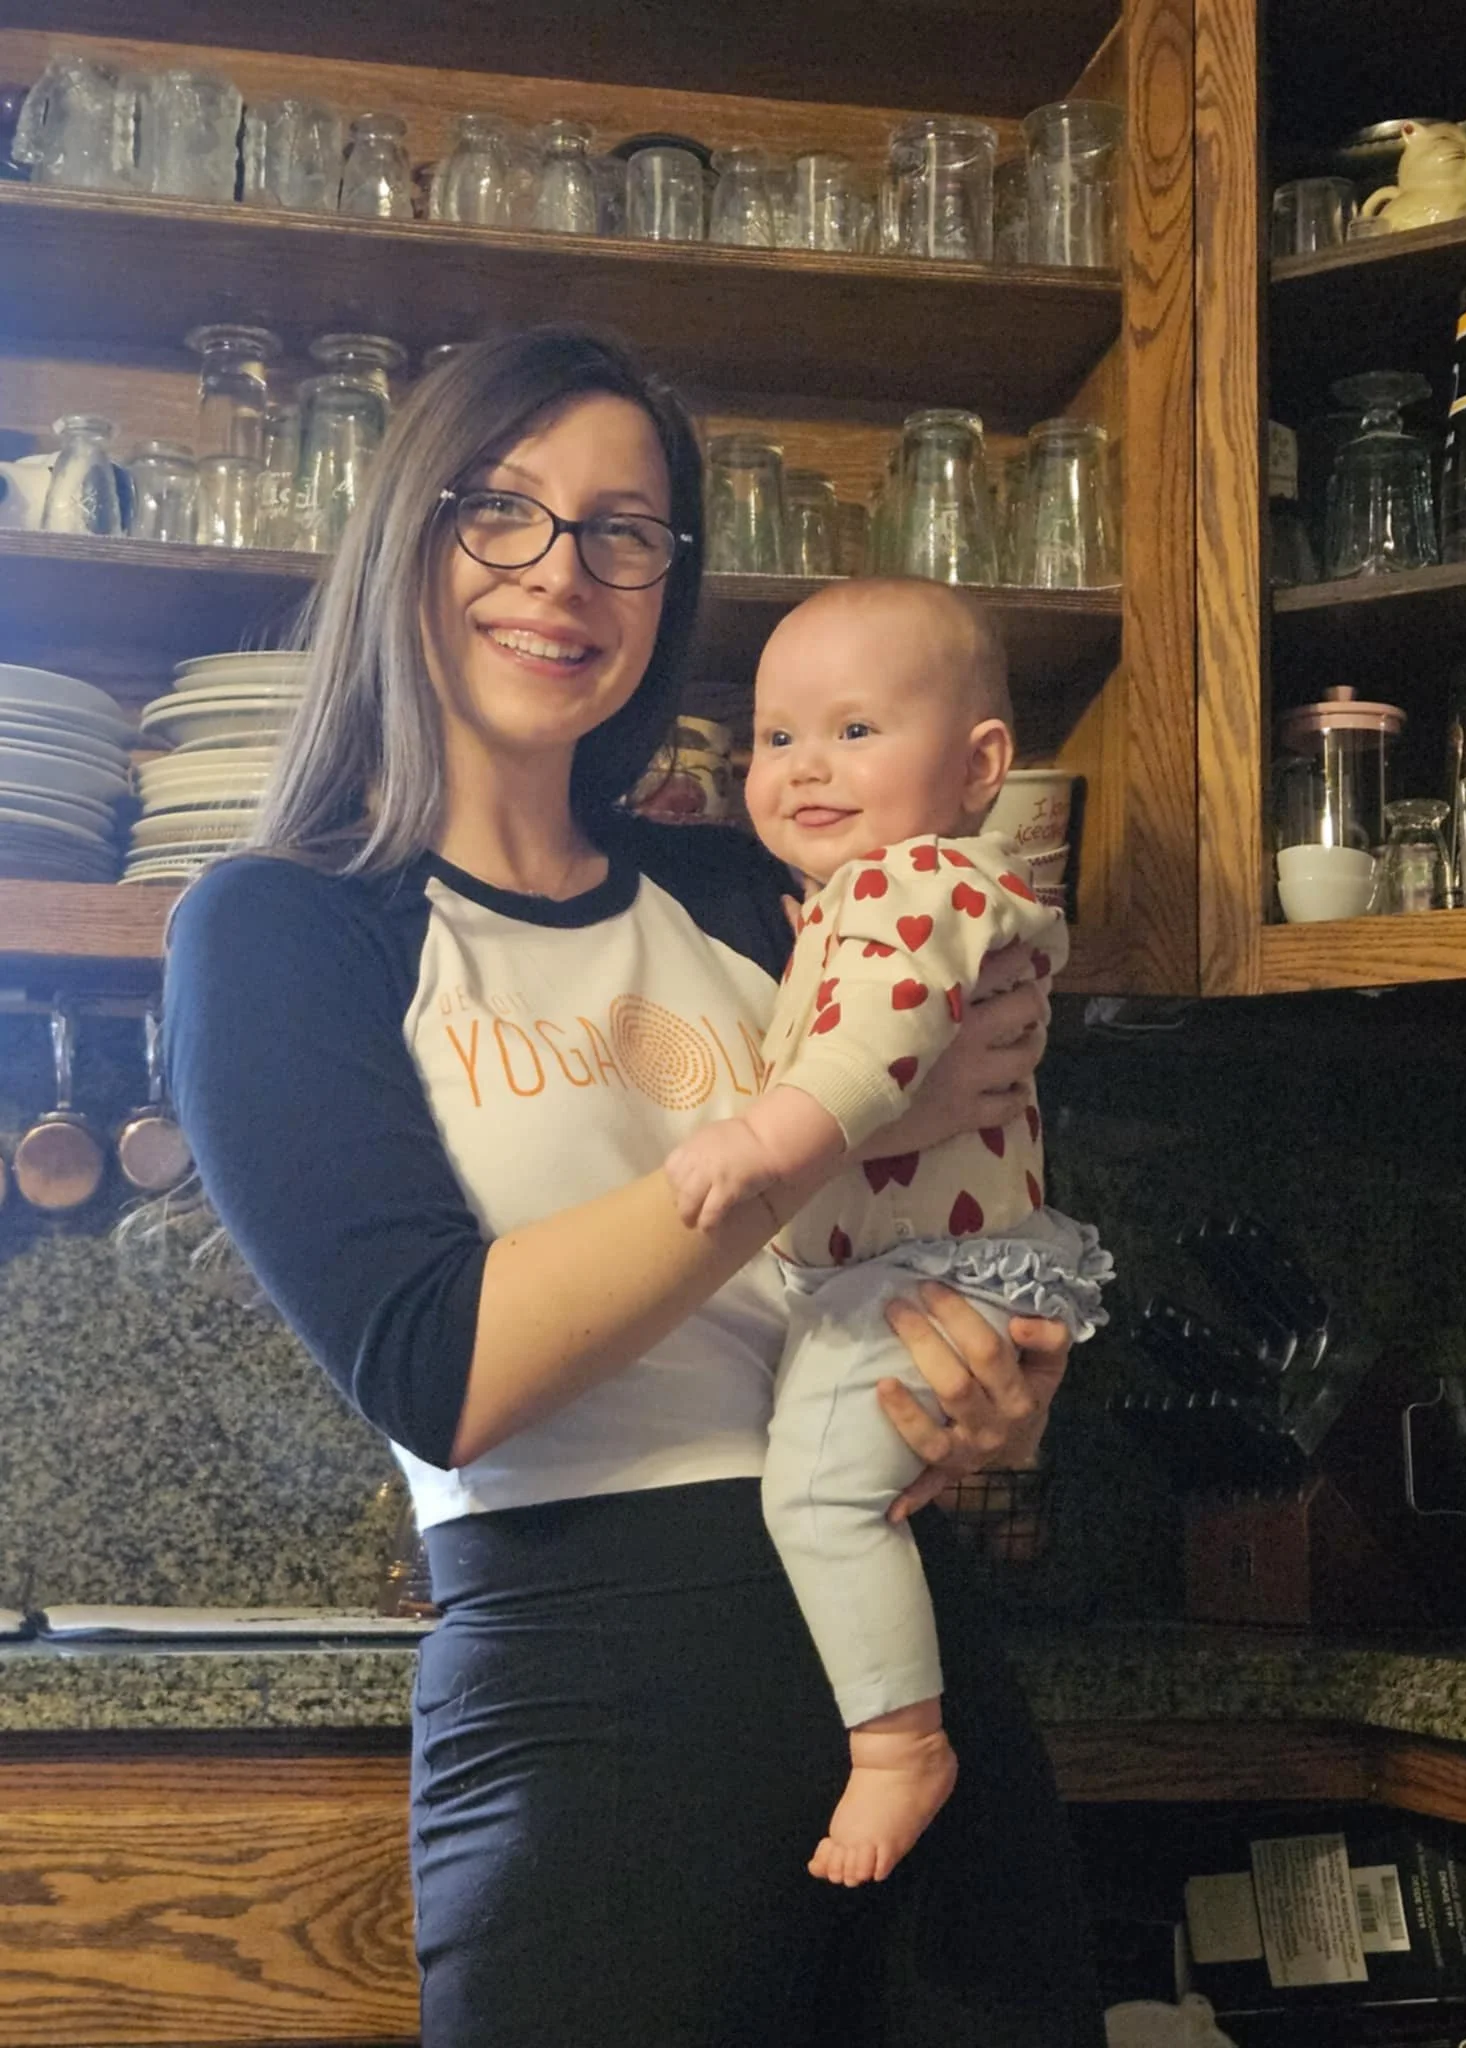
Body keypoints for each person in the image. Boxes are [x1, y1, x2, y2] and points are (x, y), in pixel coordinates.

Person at [160, 325, 1108, 2048]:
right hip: (593, 1701)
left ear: (669, 584)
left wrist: (1000, 1389)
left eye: (625, 530)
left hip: (911, 1663)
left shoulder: (755, 884)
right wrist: (795, 1145)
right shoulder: (286, 929)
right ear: (404, 541)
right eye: (501, 513)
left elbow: (958, 1168)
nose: (563, 574)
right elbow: (443, 1372)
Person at [665, 579, 1112, 1891]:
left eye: (857, 731)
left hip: (923, 1275)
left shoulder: (910, 886)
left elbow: (872, 1053)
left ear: (981, 767)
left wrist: (762, 1146)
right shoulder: (871, 894)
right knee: (843, 1488)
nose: (806, 767)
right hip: (930, 1270)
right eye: (779, 736)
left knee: (816, 1498)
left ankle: (902, 1747)